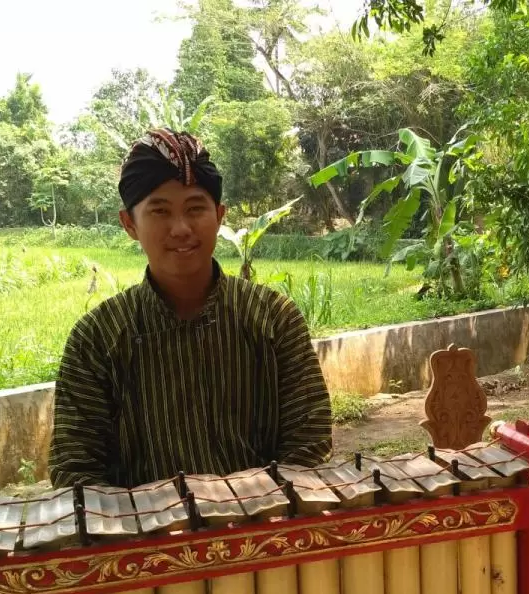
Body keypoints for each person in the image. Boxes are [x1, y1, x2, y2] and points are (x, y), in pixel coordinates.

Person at [49, 129, 332, 488]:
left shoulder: (274, 318)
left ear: (219, 215)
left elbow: (309, 443)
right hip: (145, 535)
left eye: (195, 208)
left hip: (262, 529)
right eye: (160, 211)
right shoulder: (97, 338)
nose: (181, 228)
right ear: (129, 224)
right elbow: (75, 468)